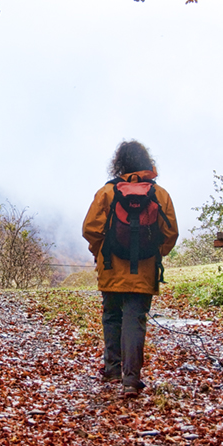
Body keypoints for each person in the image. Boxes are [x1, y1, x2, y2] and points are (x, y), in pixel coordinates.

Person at [82, 140, 178, 398]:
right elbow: (171, 233)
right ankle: (131, 380)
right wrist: (156, 253)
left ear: (119, 164)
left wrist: (100, 252)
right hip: (144, 270)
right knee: (135, 319)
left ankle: (112, 369)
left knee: (112, 315)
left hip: (111, 268)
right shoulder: (159, 195)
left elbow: (90, 229)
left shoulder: (107, 193)